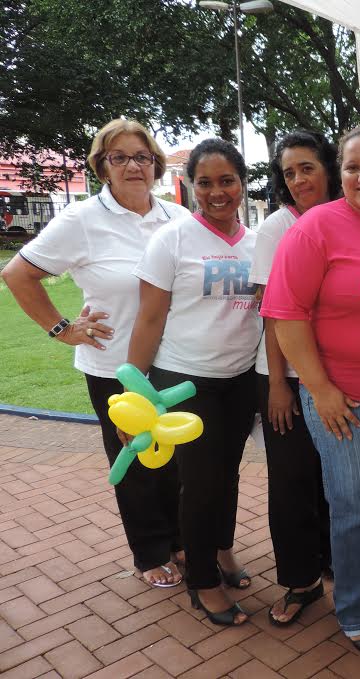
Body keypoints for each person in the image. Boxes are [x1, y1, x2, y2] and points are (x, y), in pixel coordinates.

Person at [1, 119, 190, 588]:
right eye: (119, 157)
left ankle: (180, 538)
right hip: (115, 367)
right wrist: (62, 328)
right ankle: (149, 553)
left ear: (156, 165)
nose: (132, 166)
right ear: (102, 165)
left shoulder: (178, 218)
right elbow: (17, 275)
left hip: (176, 364)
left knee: (176, 459)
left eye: (142, 157)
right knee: (135, 458)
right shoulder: (83, 220)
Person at [260, 125, 360, 655]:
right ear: (340, 173)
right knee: (358, 506)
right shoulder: (315, 228)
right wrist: (319, 388)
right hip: (344, 396)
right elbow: (285, 313)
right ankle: (353, 610)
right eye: (353, 167)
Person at [128, 138, 260, 626]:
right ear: (190, 185)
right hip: (185, 381)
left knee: (228, 475)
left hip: (240, 378)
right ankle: (201, 579)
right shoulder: (173, 240)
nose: (217, 192)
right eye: (205, 182)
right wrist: (133, 395)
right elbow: (148, 321)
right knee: (200, 484)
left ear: (242, 183)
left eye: (227, 180)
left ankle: (222, 551)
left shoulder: (255, 242)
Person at [250, 130, 338, 626]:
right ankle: (300, 581)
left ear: (327, 167)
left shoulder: (349, 219)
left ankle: (331, 560)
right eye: (289, 172)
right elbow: (271, 314)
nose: (299, 179)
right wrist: (278, 384)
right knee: (291, 481)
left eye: (307, 167)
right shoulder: (277, 228)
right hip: (288, 377)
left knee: (337, 480)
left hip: (338, 374)